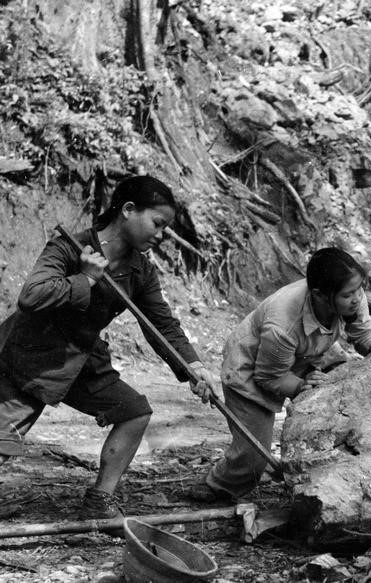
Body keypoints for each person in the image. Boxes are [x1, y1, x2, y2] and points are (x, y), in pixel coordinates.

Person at [0, 175, 217, 519]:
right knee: (3, 443)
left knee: (134, 411)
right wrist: (84, 278)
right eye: (157, 224)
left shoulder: (140, 271)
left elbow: (161, 324)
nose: (160, 235)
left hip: (83, 359)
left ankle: (99, 500)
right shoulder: (71, 247)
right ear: (129, 210)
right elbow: (31, 296)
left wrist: (193, 366)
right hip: (29, 356)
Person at [189, 247, 371, 502]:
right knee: (253, 455)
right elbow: (269, 377)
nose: (357, 298)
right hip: (252, 371)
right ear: (319, 295)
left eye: (359, 289)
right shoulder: (283, 322)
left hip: (307, 354)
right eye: (348, 294)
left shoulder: (351, 295)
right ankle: (220, 485)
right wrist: (302, 386)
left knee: (347, 390)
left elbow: (364, 335)